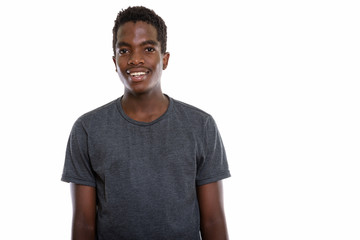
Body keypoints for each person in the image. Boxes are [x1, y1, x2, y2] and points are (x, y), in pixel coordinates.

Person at [61, 6, 230, 240]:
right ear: (114, 60)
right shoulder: (88, 129)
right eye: (124, 51)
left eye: (148, 48)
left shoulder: (200, 126)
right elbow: (83, 224)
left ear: (165, 58)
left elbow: (212, 220)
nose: (135, 59)